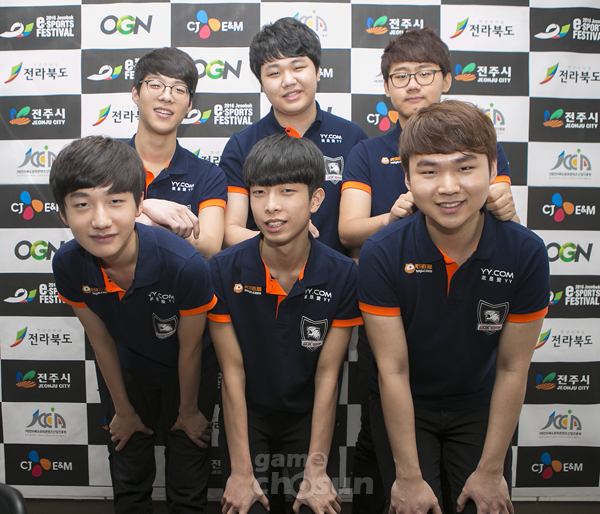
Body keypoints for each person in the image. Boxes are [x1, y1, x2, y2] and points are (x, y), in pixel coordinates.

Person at [338, 28, 519, 514]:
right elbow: (349, 231)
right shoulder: (368, 153)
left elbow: (502, 215)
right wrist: (394, 217)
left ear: (447, 79)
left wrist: (502, 203)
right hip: (394, 312)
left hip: (466, 332)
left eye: (425, 73)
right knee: (385, 451)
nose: (413, 84)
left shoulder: (480, 143)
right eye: (401, 76)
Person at [358, 101, 550, 514]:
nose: (448, 187)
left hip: (480, 402)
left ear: (493, 169)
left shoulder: (526, 252)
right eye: (429, 171)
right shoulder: (382, 251)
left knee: (482, 502)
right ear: (407, 177)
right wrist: (409, 478)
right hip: (405, 402)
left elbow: (512, 367)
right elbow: (393, 370)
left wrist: (491, 470)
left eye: (465, 168)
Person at [50, 136, 217, 513]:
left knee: (188, 483)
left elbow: (191, 347)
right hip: (127, 368)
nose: (100, 220)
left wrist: (188, 411)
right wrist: (122, 410)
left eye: (115, 201)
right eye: (82, 204)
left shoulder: (185, 265)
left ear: (140, 203)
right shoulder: (68, 264)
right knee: (128, 476)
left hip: (189, 370)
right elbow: (101, 341)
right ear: (63, 213)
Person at [209, 132, 362, 513]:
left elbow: (328, 374)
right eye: (259, 193)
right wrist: (241, 472)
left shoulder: (343, 274)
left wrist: (316, 470)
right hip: (247, 413)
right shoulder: (223, 270)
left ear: (316, 200)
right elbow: (232, 373)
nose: (271, 206)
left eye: (287, 192)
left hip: (309, 416)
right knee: (245, 503)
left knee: (313, 503)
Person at [221, 17, 367, 254]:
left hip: (336, 273)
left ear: (318, 72)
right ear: (261, 83)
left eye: (298, 68)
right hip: (263, 270)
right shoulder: (242, 144)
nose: (289, 81)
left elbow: (359, 232)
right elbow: (230, 231)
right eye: (274, 73)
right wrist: (283, 235)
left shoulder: (352, 136)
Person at [130, 47, 226, 259]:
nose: (166, 96)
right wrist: (147, 207)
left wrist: (154, 222)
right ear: (135, 94)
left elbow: (210, 247)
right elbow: (95, 222)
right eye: (155, 85)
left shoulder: (208, 175)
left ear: (190, 104)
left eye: (179, 90)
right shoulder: (105, 164)